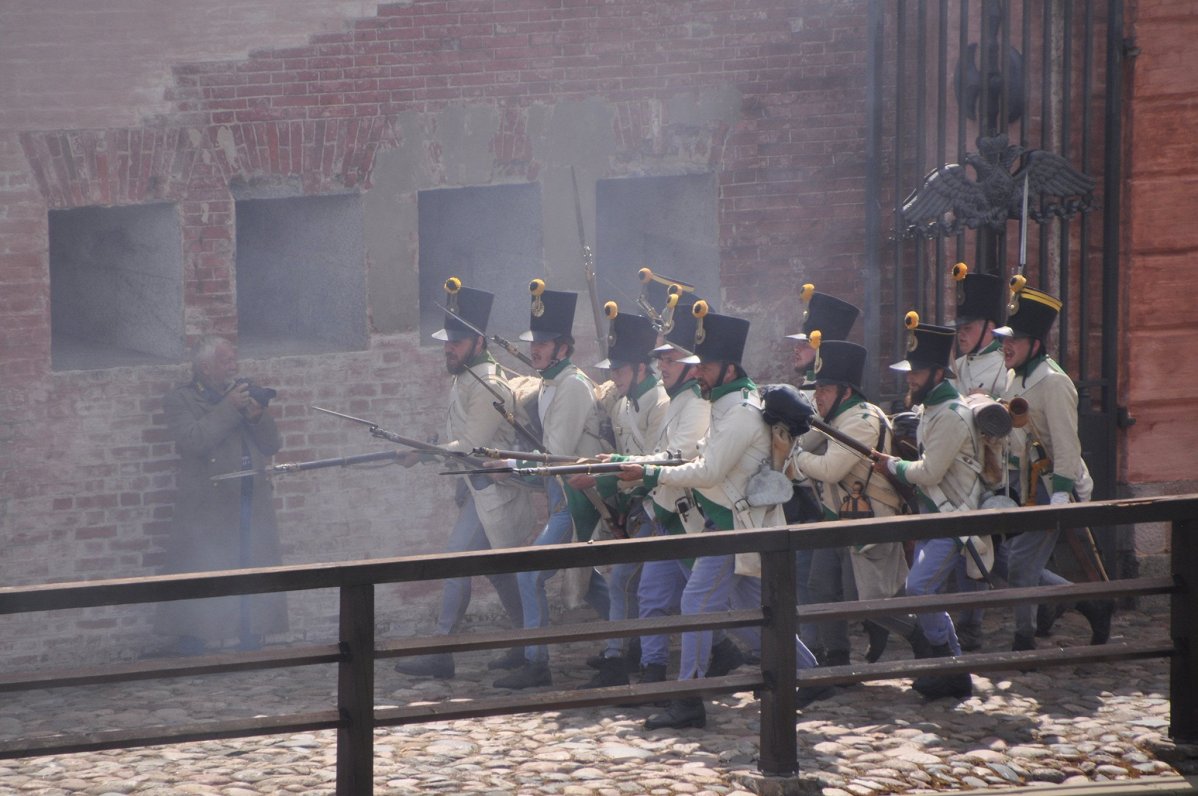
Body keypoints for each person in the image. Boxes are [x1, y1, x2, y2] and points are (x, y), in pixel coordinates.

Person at [619, 305, 826, 730]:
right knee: (750, 610)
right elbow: (702, 457)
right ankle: (809, 675)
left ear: (729, 367)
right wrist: (639, 461)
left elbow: (709, 472)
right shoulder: (730, 407)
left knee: (696, 603)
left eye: (705, 367)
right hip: (734, 523)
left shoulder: (740, 414)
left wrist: (651, 471)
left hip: (734, 527)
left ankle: (689, 700)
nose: (697, 374)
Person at [393, 281, 536, 680]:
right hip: (477, 492)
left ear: (476, 342)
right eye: (446, 342)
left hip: (496, 493)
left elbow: (473, 446)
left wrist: (422, 451)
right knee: (499, 571)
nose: (447, 348)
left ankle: (442, 649)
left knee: (457, 559)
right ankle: (529, 643)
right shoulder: (466, 377)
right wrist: (426, 446)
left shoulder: (488, 383)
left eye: (455, 342)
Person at [789, 336, 931, 699]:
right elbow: (804, 447)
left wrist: (794, 462)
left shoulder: (862, 420)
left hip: (871, 518)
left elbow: (830, 468)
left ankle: (927, 643)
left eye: (824, 388)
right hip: (836, 518)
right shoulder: (831, 418)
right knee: (821, 590)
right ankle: (836, 664)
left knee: (873, 603)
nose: (817, 395)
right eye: (817, 387)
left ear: (844, 389)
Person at [492, 281, 610, 689]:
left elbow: (555, 454)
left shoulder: (573, 385)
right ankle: (624, 647)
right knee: (591, 582)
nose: (536, 349)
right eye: (534, 342)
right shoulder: (550, 383)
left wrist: (509, 465)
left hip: (578, 496)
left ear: (563, 346)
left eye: (544, 343)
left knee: (528, 575)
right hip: (564, 492)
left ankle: (536, 662)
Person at [991, 280, 1114, 651]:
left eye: (1015, 338)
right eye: (1005, 338)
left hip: (1049, 485)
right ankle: (1081, 599)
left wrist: (1060, 494)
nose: (1005, 345)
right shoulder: (1015, 377)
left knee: (1020, 566)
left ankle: (1023, 638)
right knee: (994, 556)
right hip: (1019, 486)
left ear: (1036, 344)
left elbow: (1067, 445)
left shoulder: (1053, 382)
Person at [154, 335, 287, 655]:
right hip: (208, 504)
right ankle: (193, 637)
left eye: (233, 359)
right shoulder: (180, 400)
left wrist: (257, 415)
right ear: (204, 367)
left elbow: (272, 445)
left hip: (249, 498)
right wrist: (229, 408)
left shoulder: (240, 396)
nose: (233, 366)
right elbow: (193, 441)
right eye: (226, 360)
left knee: (250, 565)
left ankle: (250, 632)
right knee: (203, 568)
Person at [872, 313, 981, 700]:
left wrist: (892, 465)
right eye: (910, 372)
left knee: (919, 588)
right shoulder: (933, 410)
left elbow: (931, 471)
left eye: (916, 372)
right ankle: (951, 669)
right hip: (935, 515)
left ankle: (950, 665)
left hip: (954, 516)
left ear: (938, 373)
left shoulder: (951, 414)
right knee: (923, 590)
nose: (910, 379)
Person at [569, 305, 668, 688]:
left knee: (625, 582)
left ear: (642, 369)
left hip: (664, 506)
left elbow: (652, 465)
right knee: (638, 585)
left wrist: (602, 476)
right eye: (612, 370)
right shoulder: (624, 402)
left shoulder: (661, 404)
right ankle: (627, 654)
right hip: (639, 507)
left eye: (620, 369)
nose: (614, 377)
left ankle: (621, 658)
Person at [783, 285, 864, 657]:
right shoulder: (809, 393)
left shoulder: (834, 402)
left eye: (805, 343)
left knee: (856, 592)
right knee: (814, 584)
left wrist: (791, 460)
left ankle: (812, 653)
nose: (796, 348)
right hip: (810, 503)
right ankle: (812, 652)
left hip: (837, 507)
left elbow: (810, 454)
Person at [947, 262, 1007, 651]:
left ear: (989, 327)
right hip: (961, 468)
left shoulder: (1004, 364)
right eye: (959, 328)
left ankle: (970, 623)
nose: (961, 335)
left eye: (968, 328)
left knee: (980, 548)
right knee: (972, 547)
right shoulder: (960, 364)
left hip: (995, 468)